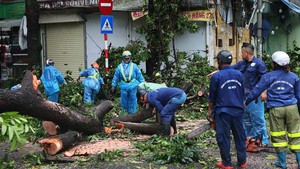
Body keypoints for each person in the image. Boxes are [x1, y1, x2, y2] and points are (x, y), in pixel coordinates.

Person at [245, 51, 300, 169]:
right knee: (295, 134)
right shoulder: (294, 77)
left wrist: (246, 102)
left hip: (276, 109)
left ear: (274, 63)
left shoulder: (268, 76)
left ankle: (282, 163)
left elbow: (256, 90)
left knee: (278, 135)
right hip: (292, 108)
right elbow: (298, 95)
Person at [208, 50, 247, 169]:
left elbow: (212, 97)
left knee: (223, 138)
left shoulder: (217, 76)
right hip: (238, 111)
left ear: (220, 61)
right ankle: (242, 161)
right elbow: (242, 93)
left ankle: (226, 163)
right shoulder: (239, 75)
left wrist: (210, 112)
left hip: (223, 112)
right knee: (239, 136)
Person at [231, 43, 269, 147]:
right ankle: (250, 140)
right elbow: (230, 69)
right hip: (243, 96)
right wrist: (218, 71)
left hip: (254, 97)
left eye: (242, 52)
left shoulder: (259, 64)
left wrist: (264, 92)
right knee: (246, 120)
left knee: (257, 119)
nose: (241, 54)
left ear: (247, 53)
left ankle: (263, 141)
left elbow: (264, 79)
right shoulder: (241, 64)